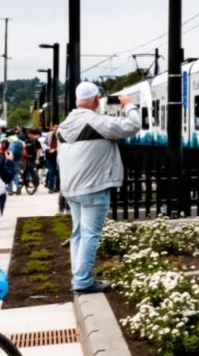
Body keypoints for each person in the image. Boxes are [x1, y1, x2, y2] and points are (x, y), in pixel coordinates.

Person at [58, 82, 141, 294]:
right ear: (96, 100)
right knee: (90, 235)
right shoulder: (97, 122)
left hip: (71, 189)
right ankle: (83, 281)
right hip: (93, 187)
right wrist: (128, 105)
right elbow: (133, 125)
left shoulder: (65, 124)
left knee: (78, 234)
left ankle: (79, 277)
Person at [44, 123, 60, 192]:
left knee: (58, 172)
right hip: (49, 155)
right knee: (51, 171)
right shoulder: (49, 134)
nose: (55, 130)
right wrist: (48, 148)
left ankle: (57, 187)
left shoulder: (60, 135)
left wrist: (55, 149)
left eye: (57, 129)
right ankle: (51, 187)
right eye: (54, 128)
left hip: (58, 154)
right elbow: (44, 143)